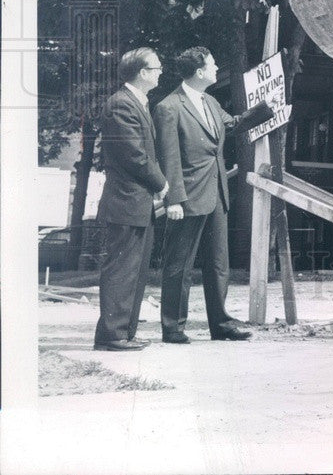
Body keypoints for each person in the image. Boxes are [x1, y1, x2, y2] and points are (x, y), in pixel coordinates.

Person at [154, 47, 271, 343]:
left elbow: (231, 125)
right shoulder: (169, 107)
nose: (217, 66)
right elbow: (168, 157)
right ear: (200, 71)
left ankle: (221, 325)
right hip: (187, 197)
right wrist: (174, 199)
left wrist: (266, 108)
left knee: (219, 263)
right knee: (179, 265)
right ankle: (173, 327)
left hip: (216, 193)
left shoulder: (211, 101)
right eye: (213, 63)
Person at [93, 48, 169, 351]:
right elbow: (135, 156)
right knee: (122, 271)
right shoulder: (121, 105)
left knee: (134, 272)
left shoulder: (135, 103)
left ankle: (124, 332)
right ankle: (112, 335)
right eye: (157, 67)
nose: (161, 71)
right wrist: (161, 183)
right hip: (125, 202)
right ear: (142, 73)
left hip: (135, 203)